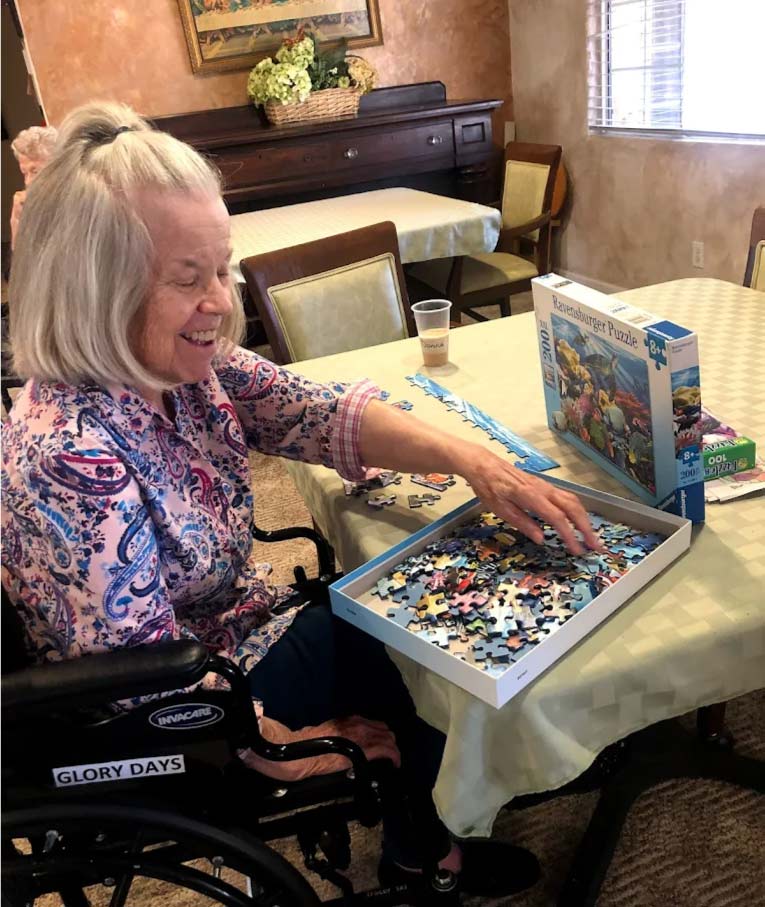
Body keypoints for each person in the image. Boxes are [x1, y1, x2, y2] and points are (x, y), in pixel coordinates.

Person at [2, 101, 600, 898]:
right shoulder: (71, 454)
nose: (220, 299)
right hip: (167, 714)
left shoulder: (180, 369)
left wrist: (474, 461)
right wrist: (280, 743)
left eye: (221, 267)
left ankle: (432, 823)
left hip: (233, 635)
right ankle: (426, 856)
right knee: (420, 650)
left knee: (412, 622)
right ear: (93, 290)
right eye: (189, 278)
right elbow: (143, 685)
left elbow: (318, 411)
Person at [9, 125, 58, 250]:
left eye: (35, 171)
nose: (28, 182)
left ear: (58, 167)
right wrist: (17, 221)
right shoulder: (30, 206)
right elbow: (21, 262)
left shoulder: (83, 200)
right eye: (24, 173)